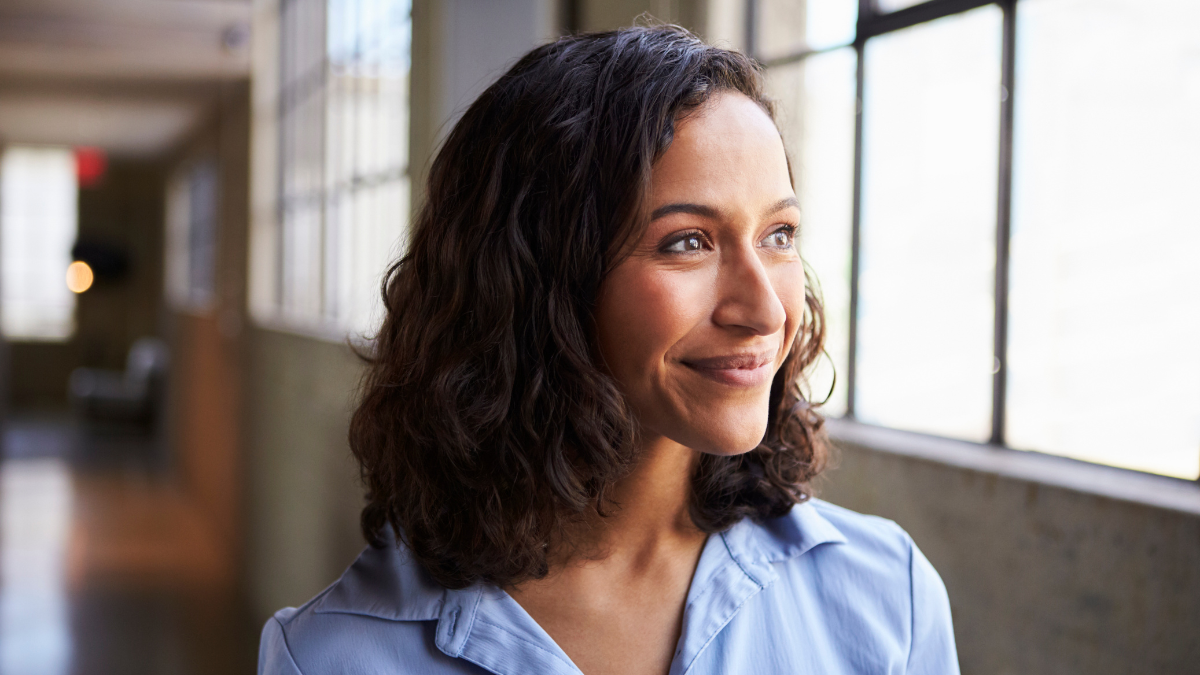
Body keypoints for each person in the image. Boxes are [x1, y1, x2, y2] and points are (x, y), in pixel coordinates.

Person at [258, 25, 959, 675]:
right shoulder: (329, 655)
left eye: (779, 234)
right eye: (688, 242)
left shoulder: (886, 599)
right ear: (539, 277)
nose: (766, 309)